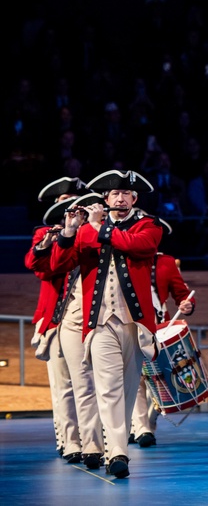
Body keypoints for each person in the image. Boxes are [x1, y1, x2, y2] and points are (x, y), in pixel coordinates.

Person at [50, 170, 163, 479]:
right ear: (106, 199)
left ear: (135, 199)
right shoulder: (87, 229)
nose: (120, 198)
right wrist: (70, 232)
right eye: (114, 194)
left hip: (135, 323)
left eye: (126, 194)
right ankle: (117, 452)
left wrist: (99, 226)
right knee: (109, 386)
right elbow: (57, 266)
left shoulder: (148, 226)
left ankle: (114, 445)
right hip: (99, 323)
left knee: (127, 390)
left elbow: (137, 246)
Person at [26, 177, 88, 463]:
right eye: (63, 204)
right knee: (62, 385)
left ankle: (92, 440)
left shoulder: (90, 234)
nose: (69, 210)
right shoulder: (45, 233)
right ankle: (68, 440)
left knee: (87, 383)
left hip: (86, 318)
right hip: (54, 319)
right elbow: (37, 267)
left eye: (74, 203)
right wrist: (53, 240)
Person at [130, 218, 195, 448]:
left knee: (157, 380)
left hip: (160, 329)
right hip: (131, 326)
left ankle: (147, 423)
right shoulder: (124, 259)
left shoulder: (165, 263)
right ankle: (141, 428)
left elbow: (182, 293)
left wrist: (187, 304)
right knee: (134, 379)